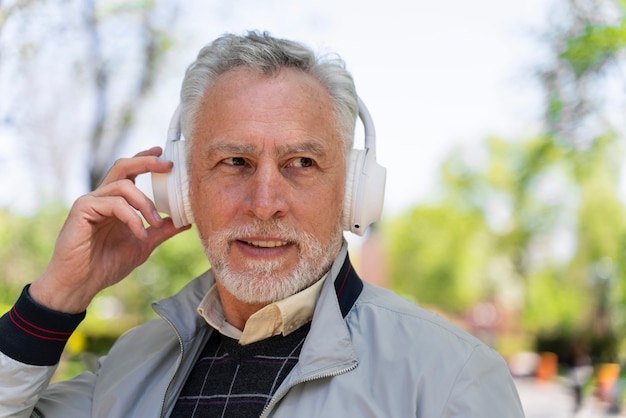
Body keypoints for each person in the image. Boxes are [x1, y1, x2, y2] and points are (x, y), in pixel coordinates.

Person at [0, 31, 524, 417]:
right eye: (234, 163)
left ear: (353, 191)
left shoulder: (450, 381)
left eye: (302, 163)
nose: (265, 202)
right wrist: (57, 296)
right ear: (181, 190)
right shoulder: (124, 371)